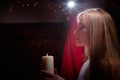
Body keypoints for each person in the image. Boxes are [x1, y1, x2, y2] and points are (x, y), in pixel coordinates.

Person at [40, 8, 120, 80]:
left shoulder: (107, 67)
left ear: (96, 31)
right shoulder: (88, 62)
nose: (74, 33)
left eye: (81, 27)